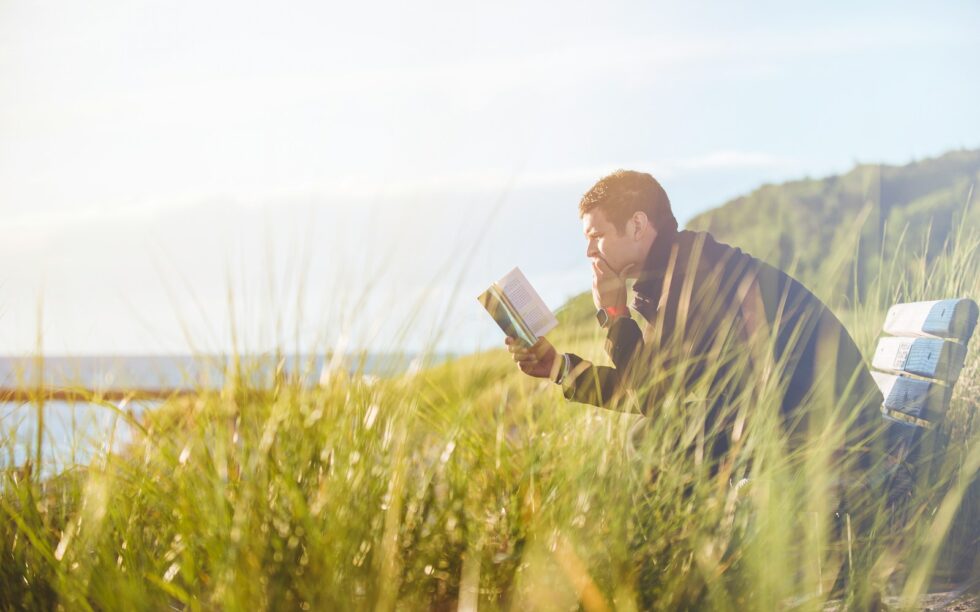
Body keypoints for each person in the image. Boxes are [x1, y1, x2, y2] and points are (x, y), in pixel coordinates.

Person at [505, 169, 887, 500]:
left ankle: (700, 567)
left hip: (834, 435)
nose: (588, 250)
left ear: (637, 225)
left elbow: (654, 396)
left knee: (653, 437)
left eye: (597, 235)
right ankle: (700, 561)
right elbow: (652, 387)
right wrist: (558, 367)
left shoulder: (692, 275)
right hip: (804, 420)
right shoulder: (675, 270)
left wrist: (616, 314)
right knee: (659, 432)